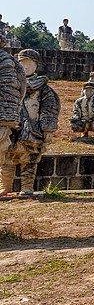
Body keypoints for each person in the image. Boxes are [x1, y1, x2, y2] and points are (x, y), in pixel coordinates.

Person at [7, 50, 60, 195]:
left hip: (32, 131)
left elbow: (49, 110)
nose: (26, 67)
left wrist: (48, 130)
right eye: (23, 64)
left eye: (30, 64)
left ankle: (27, 188)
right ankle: (5, 188)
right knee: (6, 160)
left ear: (36, 66)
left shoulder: (44, 90)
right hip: (10, 130)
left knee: (29, 161)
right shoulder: (10, 86)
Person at [0, 36, 26, 197]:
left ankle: (4, 186)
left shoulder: (5, 61)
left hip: (3, 111)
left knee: (3, 150)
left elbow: (15, 86)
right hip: (6, 111)